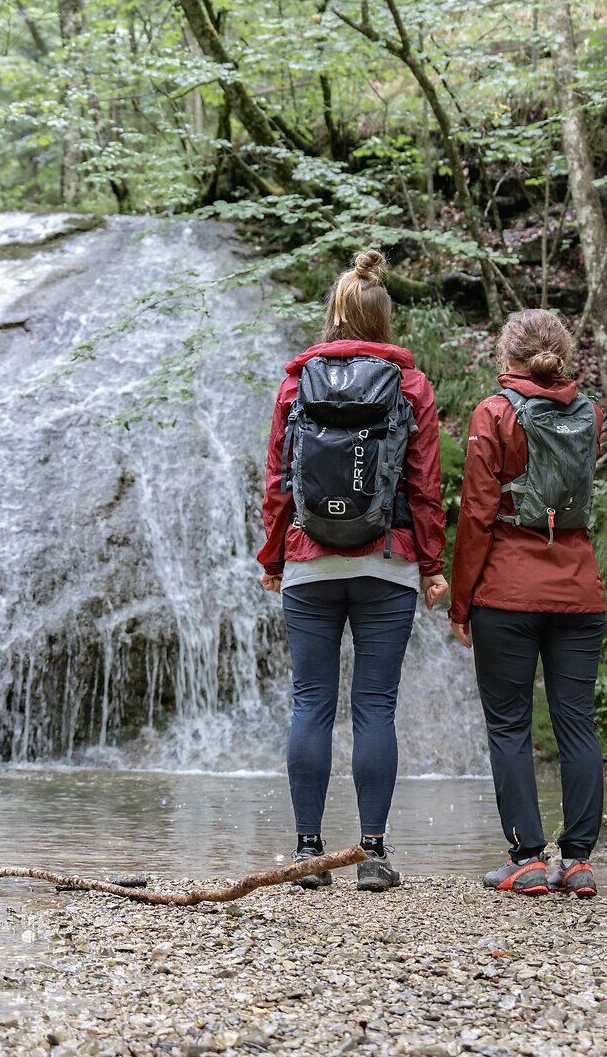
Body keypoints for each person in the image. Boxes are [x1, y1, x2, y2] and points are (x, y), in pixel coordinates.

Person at [258, 249, 448, 892]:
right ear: (383, 318)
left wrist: (273, 557)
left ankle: (308, 854)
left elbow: (278, 481)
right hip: (388, 562)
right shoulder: (410, 386)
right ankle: (372, 854)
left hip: (308, 559)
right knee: (375, 708)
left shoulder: (296, 384)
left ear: (333, 316)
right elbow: (424, 485)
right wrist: (431, 566)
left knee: (310, 704)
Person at [449, 308, 607, 899]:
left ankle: (526, 859)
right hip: (579, 589)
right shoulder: (589, 414)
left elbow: (477, 515)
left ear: (506, 357)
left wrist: (460, 603)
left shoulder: (493, 414)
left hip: (507, 592)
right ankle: (580, 860)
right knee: (577, 722)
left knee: (510, 724)